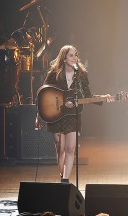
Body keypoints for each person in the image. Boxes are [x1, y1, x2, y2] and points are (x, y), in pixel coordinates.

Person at [36, 45, 113, 183]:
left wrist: (103, 97)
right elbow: (43, 93)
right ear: (64, 57)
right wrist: (39, 114)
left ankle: (65, 180)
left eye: (76, 55)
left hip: (72, 115)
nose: (74, 58)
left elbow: (88, 95)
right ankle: (62, 176)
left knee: (70, 148)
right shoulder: (54, 73)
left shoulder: (81, 74)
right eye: (71, 55)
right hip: (56, 114)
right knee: (60, 148)